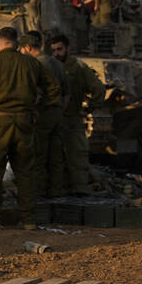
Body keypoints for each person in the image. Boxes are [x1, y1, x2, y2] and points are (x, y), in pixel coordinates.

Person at [0, 27, 59, 230]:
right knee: (25, 171)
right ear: (17, 43)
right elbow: (53, 89)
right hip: (24, 122)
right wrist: (37, 108)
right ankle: (29, 220)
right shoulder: (32, 63)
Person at [49, 33, 106, 195]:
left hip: (71, 118)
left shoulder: (78, 67)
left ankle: (80, 190)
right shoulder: (51, 66)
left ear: (68, 48)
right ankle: (59, 189)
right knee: (54, 158)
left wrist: (89, 109)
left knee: (77, 157)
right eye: (53, 50)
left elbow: (98, 89)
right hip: (53, 120)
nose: (56, 54)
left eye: (59, 49)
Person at [21, 32, 69, 199]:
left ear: (27, 47)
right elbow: (66, 93)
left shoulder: (35, 64)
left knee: (38, 155)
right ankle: (56, 191)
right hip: (57, 113)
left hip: (43, 113)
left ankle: (39, 192)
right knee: (56, 156)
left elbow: (36, 94)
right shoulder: (56, 63)